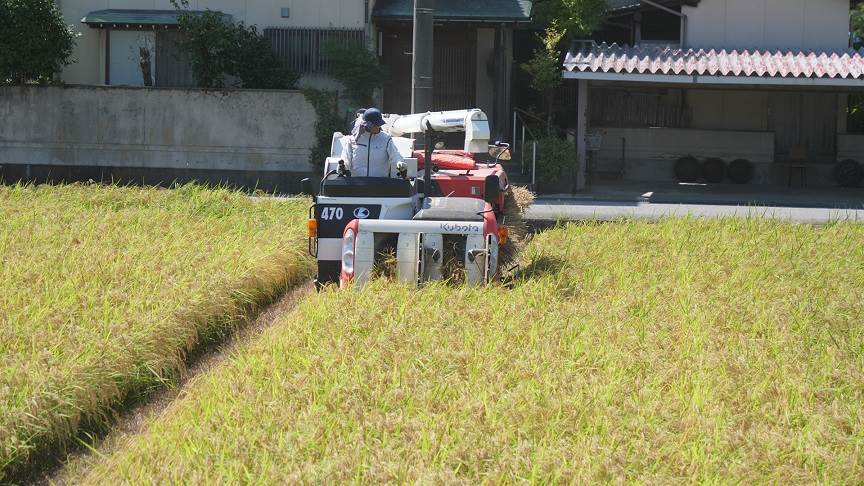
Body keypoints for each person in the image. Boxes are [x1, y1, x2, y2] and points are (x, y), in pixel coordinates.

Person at [341, 108, 405, 178]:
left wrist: (399, 162)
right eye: (375, 125)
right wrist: (342, 167)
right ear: (366, 125)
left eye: (379, 124)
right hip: (356, 183)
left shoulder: (386, 139)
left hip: (380, 184)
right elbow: (346, 158)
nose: (378, 127)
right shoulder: (352, 139)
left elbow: (395, 154)